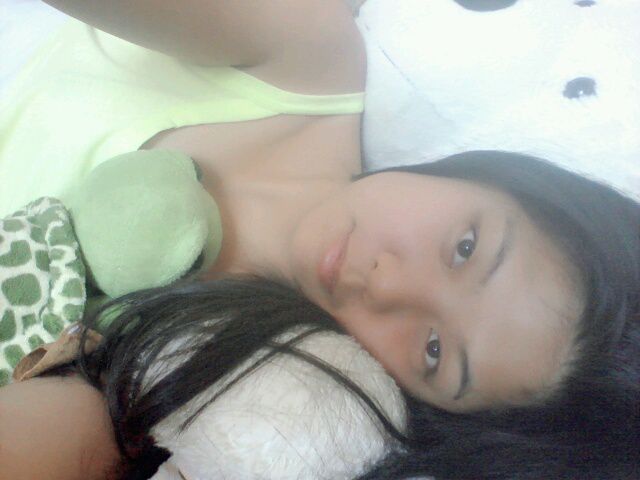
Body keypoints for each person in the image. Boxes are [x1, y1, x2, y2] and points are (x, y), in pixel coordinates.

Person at [0, 1, 638, 478]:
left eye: (435, 350)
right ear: (486, 176)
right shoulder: (309, 59)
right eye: (465, 248)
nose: (388, 283)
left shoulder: (218, 378)